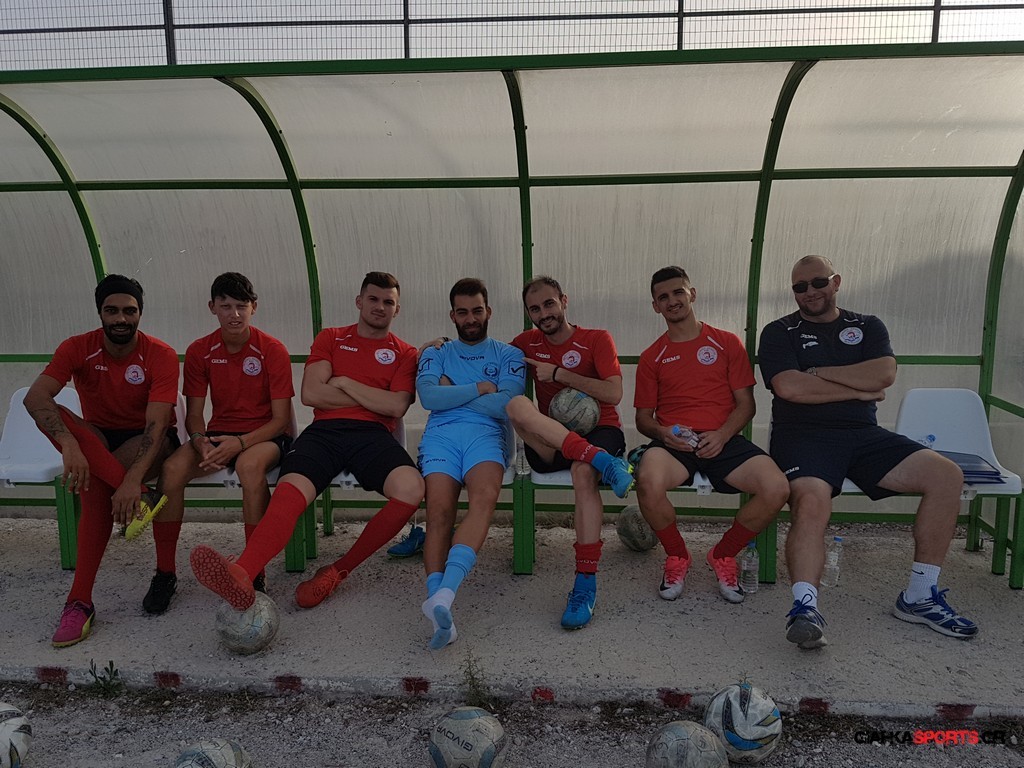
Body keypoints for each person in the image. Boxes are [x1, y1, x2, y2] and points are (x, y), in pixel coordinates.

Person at [758, 255, 977, 649]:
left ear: (836, 281)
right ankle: (805, 608)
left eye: (818, 282)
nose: (810, 292)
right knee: (811, 500)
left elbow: (883, 374)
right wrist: (858, 390)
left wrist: (816, 372)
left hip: (864, 435)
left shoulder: (867, 325)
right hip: (802, 437)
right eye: (799, 287)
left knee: (947, 475)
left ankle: (919, 596)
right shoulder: (779, 331)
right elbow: (789, 388)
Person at [189, 271, 424, 612]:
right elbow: (312, 393)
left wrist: (343, 382)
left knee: (412, 489)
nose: (379, 307)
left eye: (388, 302)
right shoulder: (331, 337)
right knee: (289, 492)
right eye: (373, 299)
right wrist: (375, 397)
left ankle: (337, 571)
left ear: (397, 309)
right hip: (324, 432)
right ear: (359, 302)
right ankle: (242, 573)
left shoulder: (404, 352)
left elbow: (397, 406)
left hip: (373, 436)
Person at [24, 274, 179, 647]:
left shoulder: (159, 353)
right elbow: (35, 397)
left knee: (93, 487)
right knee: (54, 413)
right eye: (112, 311)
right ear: (100, 313)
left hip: (148, 440)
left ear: (140, 313)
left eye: (130, 311)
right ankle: (144, 498)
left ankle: (79, 601)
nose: (121, 318)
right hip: (97, 439)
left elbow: (156, 426)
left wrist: (131, 480)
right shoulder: (78, 347)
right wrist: (68, 444)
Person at [633, 266, 789, 605]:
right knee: (647, 481)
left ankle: (723, 554)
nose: (672, 301)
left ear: (692, 294)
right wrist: (663, 433)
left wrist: (721, 434)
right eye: (663, 297)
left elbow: (746, 405)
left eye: (678, 292)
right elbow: (643, 419)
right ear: (656, 306)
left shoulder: (726, 342)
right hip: (675, 443)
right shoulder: (652, 356)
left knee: (776, 487)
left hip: (724, 438)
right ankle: (677, 555)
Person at [143, 273, 294, 615]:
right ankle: (165, 573)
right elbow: (195, 415)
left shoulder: (272, 349)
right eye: (226, 306)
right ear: (212, 307)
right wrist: (199, 442)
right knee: (172, 469)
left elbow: (280, 420)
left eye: (241, 306)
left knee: (249, 467)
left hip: (264, 436)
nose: (234, 314)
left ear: (254, 307)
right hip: (219, 435)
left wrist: (240, 443)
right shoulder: (200, 350)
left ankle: (253, 572)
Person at [506, 276, 634, 630]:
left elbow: (614, 393)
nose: (543, 313)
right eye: (535, 308)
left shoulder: (596, 339)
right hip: (554, 439)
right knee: (516, 405)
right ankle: (605, 463)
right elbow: (483, 355)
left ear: (564, 300)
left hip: (601, 430)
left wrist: (561, 374)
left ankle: (584, 584)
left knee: (582, 472)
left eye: (549, 304)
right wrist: (439, 346)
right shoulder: (525, 343)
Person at [418, 278, 526, 650]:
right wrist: (479, 388)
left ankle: (445, 595)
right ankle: (438, 608)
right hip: (441, 435)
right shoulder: (435, 351)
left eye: (477, 310)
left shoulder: (509, 354)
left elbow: (505, 406)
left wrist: (452, 391)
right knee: (438, 512)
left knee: (484, 499)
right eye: (462, 312)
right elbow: (428, 398)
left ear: (488, 311)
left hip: (487, 435)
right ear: (452, 315)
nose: (470, 319)